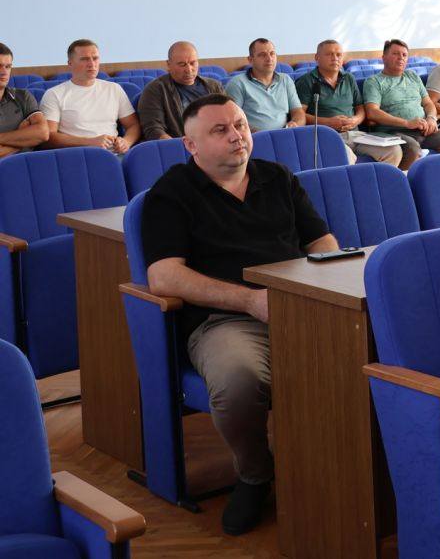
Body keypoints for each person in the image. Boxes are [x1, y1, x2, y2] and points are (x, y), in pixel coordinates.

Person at [141, 93, 340, 535]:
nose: (237, 136)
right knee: (237, 381)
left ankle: (335, 469)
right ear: (191, 145)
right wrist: (249, 301)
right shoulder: (170, 193)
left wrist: (324, 287)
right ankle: (254, 473)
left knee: (369, 359)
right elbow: (164, 276)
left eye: (241, 125)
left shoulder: (277, 177)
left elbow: (322, 242)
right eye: (221, 130)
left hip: (298, 305)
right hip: (225, 319)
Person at [362, 39, 440, 170]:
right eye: (395, 54)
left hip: (424, 130)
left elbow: (428, 103)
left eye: (404, 55)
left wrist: (431, 118)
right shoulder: (374, 81)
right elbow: (372, 112)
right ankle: (405, 181)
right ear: (383, 58)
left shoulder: (412, 76)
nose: (401, 58)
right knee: (413, 150)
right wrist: (407, 123)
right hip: (394, 132)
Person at [296, 40, 402, 165]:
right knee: (346, 156)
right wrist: (328, 122)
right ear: (317, 58)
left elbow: (360, 108)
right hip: (326, 136)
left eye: (338, 55)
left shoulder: (348, 78)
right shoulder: (306, 81)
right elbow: (299, 115)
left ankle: (377, 178)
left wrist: (355, 120)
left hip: (356, 135)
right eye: (329, 54)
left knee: (394, 151)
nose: (335, 58)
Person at [41, 39, 140, 153]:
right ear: (70, 63)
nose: (92, 64)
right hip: (76, 155)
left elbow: (133, 125)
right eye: (84, 59)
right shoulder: (54, 94)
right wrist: (90, 142)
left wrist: (126, 142)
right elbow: (49, 137)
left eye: (95, 58)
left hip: (113, 155)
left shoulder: (114, 89)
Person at [138, 41, 223, 141]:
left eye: (193, 63)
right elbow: (154, 129)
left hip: (217, 142)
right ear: (169, 65)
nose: (189, 69)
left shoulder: (214, 86)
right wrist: (180, 146)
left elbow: (229, 117)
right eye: (182, 64)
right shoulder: (155, 90)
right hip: (180, 144)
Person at [223, 39, 305, 132]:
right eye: (262, 55)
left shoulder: (285, 80)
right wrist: (262, 135)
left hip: (284, 134)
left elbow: (298, 112)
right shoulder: (237, 83)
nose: (269, 59)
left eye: (272, 53)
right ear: (250, 60)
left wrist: (295, 123)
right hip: (255, 137)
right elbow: (232, 120)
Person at [0, 42, 47, 158]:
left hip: (28, 164)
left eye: (8, 66)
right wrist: (24, 140)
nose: (4, 72)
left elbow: (43, 133)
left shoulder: (23, 96)